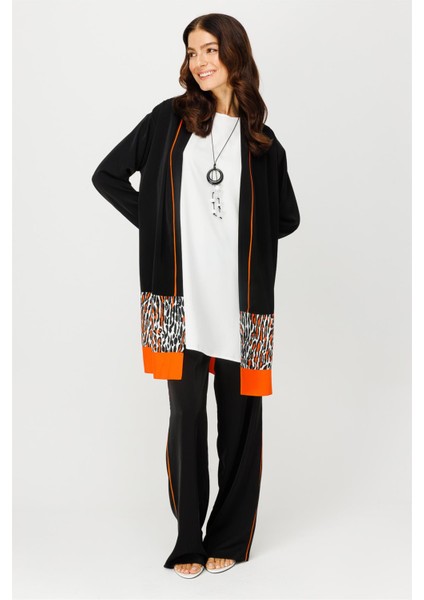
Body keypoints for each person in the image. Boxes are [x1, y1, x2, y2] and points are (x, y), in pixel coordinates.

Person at [91, 12, 300, 579]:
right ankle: (188, 539)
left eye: (210, 49)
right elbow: (107, 175)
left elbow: (287, 218)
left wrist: (240, 238)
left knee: (240, 423)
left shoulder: (262, 141)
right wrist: (159, 226)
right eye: (192, 51)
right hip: (177, 301)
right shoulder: (169, 120)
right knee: (186, 419)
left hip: (241, 305)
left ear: (235, 54)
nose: (201, 61)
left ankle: (229, 536)